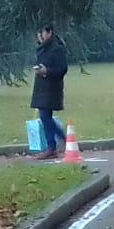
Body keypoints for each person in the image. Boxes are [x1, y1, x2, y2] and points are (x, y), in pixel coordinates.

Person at [30, 25, 68, 159]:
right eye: (38, 33)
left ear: (50, 32)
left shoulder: (57, 49)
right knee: (45, 117)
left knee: (45, 116)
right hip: (41, 87)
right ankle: (53, 145)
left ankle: (57, 142)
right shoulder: (41, 49)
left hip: (52, 87)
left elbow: (62, 69)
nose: (40, 36)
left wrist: (47, 71)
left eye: (42, 32)